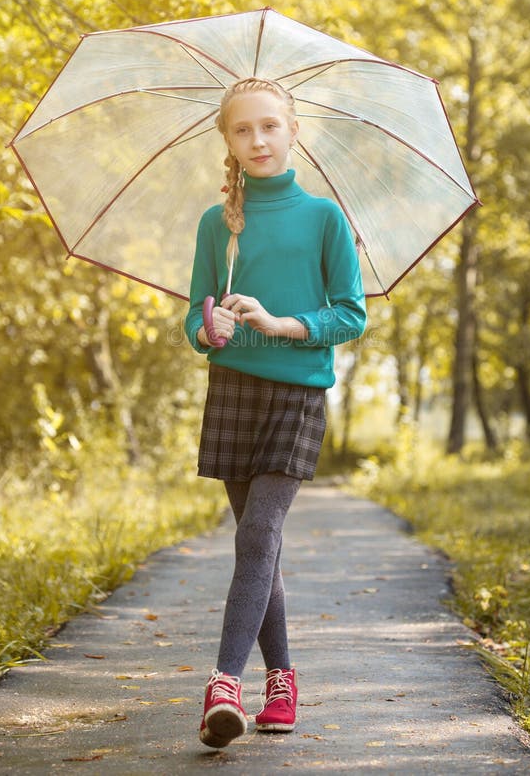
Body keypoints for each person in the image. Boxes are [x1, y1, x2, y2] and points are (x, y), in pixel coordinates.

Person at [184, 77, 366, 749]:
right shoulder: (217, 224)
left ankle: (224, 686)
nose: (257, 139)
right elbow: (194, 311)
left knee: (260, 532)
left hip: (297, 393)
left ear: (293, 130)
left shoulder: (324, 218)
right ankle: (282, 681)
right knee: (257, 545)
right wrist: (208, 330)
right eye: (243, 129)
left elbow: (351, 315)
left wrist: (280, 323)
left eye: (269, 125)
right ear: (228, 141)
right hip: (233, 390)